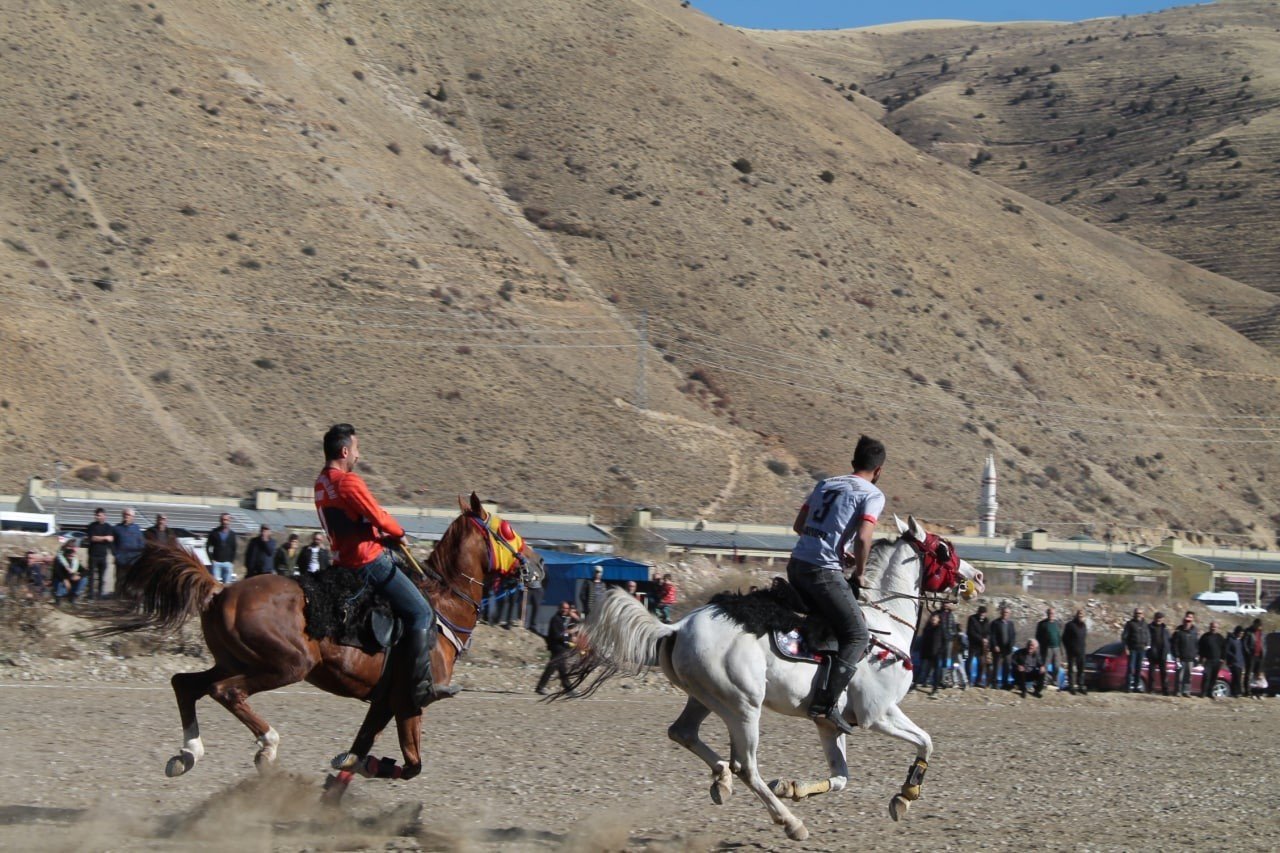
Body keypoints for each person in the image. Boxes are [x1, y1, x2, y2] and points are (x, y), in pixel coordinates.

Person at [316, 423, 445, 704]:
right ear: (345, 450)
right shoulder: (348, 481)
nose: (358, 456)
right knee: (422, 613)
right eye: (357, 450)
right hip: (367, 561)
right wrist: (398, 533)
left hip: (341, 560)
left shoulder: (320, 484)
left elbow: (355, 520)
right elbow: (378, 516)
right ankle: (419, 684)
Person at [787, 435, 884, 734]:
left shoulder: (826, 483)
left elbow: (799, 526)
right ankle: (825, 705)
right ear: (879, 470)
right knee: (857, 633)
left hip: (797, 565)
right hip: (823, 573)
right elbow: (865, 538)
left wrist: (835, 547)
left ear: (853, 461)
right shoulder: (872, 494)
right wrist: (859, 573)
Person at [535, 601, 579, 694]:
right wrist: (568, 633)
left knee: (561, 668)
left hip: (561, 647)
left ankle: (567, 688)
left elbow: (577, 623)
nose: (565, 610)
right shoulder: (556, 619)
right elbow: (557, 635)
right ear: (559, 608)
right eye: (563, 608)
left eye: (567, 608)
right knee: (553, 667)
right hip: (556, 647)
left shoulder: (564, 619)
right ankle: (542, 687)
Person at [112, 508, 146, 589]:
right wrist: (116, 554)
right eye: (125, 514)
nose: (126, 516)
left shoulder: (137, 528)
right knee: (120, 580)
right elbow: (112, 544)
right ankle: (117, 598)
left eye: (128, 515)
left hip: (133, 560)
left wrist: (139, 555)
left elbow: (141, 543)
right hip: (121, 560)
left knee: (132, 580)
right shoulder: (117, 528)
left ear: (133, 517)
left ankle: (129, 598)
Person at [85, 507, 114, 600]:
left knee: (102, 577)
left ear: (104, 516)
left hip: (103, 555)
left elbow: (110, 539)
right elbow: (92, 538)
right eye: (96, 515)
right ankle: (91, 595)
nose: (97, 517)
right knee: (91, 576)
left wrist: (100, 538)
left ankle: (100, 595)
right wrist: (104, 538)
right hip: (93, 555)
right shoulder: (91, 526)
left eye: (99, 515)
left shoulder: (108, 527)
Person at [1120, 608, 1150, 693]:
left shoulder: (1145, 624)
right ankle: (1128, 687)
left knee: (1139, 669)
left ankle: (1137, 686)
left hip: (1141, 650)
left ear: (1143, 614)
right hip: (1132, 649)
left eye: (1140, 613)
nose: (1138, 615)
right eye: (1137, 613)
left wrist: (1147, 644)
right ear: (1134, 614)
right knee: (1131, 668)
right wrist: (1126, 648)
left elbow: (1148, 635)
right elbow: (1124, 637)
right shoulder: (1130, 624)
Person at [917, 612, 945, 696]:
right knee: (922, 669)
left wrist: (940, 651)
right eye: (932, 618)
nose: (933, 619)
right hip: (926, 653)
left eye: (935, 618)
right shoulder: (927, 628)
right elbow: (923, 641)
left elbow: (945, 641)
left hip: (937, 654)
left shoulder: (941, 628)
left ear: (939, 619)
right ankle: (914, 686)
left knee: (936, 672)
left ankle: (935, 689)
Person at [1171, 612, 1199, 698]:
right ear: (1184, 619)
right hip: (1181, 658)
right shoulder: (1178, 631)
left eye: (1190, 620)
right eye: (1186, 620)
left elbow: (1196, 644)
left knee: (1189, 677)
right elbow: (1174, 645)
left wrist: (1196, 654)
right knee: (1179, 677)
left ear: (1192, 620)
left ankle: (1186, 691)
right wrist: (1177, 656)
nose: (1188, 622)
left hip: (1190, 658)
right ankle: (1178, 691)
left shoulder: (1194, 631)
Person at [206, 513, 238, 584]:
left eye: (226, 520)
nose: (225, 522)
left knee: (226, 586)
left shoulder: (232, 534)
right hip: (216, 563)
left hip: (228, 564)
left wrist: (231, 561)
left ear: (229, 521)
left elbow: (234, 549)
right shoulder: (214, 532)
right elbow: (208, 546)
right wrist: (211, 559)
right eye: (223, 520)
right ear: (220, 521)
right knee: (214, 585)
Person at [1035, 607, 1063, 689]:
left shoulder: (1057, 623)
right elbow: (1037, 636)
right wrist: (1041, 645)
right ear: (1047, 614)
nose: (1051, 615)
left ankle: (1055, 682)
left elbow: (1059, 636)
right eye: (1050, 613)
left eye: (1053, 613)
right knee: (1045, 666)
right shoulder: (1042, 624)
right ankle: (1044, 682)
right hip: (1047, 648)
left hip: (1057, 648)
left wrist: (1061, 649)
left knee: (1057, 666)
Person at [51, 540, 87, 605]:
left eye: (73, 547)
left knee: (84, 579)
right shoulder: (59, 558)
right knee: (59, 580)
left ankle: (73, 596)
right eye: (70, 547)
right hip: (61, 583)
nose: (72, 549)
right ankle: (58, 597)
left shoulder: (74, 560)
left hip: (71, 583)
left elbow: (85, 571)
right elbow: (57, 571)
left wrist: (79, 576)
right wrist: (65, 580)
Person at [1198, 620, 1226, 699]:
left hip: (1217, 661)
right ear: (1210, 627)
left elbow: (1224, 649)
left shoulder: (1220, 638)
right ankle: (1203, 692)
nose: (1213, 628)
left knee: (1213, 678)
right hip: (1208, 660)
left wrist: (1222, 659)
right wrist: (1201, 658)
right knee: (1206, 676)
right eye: (1212, 627)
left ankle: (1210, 693)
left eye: (1215, 627)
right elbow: (1200, 648)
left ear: (1218, 628)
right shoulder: (1205, 636)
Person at [1062, 609, 1088, 695]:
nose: (1080, 616)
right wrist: (1068, 648)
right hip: (1072, 651)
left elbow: (1083, 638)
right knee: (1071, 670)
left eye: (1082, 615)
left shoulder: (1084, 626)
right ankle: (1071, 686)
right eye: (1079, 614)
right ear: (1076, 615)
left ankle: (1080, 686)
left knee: (1081, 669)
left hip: (1081, 651)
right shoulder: (1070, 625)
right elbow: (1064, 638)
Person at [989, 606, 1016, 689]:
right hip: (998, 649)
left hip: (1007, 650)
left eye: (1007, 613)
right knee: (996, 666)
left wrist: (1011, 645)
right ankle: (994, 683)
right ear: (1001, 613)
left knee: (1007, 667)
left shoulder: (1011, 624)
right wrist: (995, 645)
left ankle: (1005, 683)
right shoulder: (995, 623)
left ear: (1009, 614)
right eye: (1004, 612)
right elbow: (992, 635)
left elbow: (1013, 636)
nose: (1005, 614)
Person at [1146, 612, 1171, 696]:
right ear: (1154, 618)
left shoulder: (1165, 629)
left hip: (1162, 654)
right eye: (1157, 618)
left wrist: (1167, 651)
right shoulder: (1149, 628)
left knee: (1164, 673)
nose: (1158, 619)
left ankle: (1165, 690)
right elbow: (1147, 640)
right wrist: (1149, 651)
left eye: (1160, 618)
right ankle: (1151, 689)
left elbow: (1168, 641)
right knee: (1152, 673)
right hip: (1152, 653)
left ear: (1162, 619)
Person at [966, 605, 991, 686]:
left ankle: (978, 681)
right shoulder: (972, 619)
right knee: (969, 662)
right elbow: (970, 632)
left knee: (981, 663)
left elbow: (987, 632)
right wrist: (981, 639)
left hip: (982, 646)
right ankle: (968, 679)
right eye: (981, 613)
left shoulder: (987, 620)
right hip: (973, 644)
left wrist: (986, 639)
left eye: (983, 613)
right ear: (978, 612)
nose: (982, 615)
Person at [1243, 618, 1265, 695]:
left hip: (1259, 656)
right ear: (1255, 624)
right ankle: (1247, 691)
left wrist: (1264, 652)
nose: (1259, 627)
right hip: (1251, 656)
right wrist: (1248, 653)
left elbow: (1263, 643)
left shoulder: (1261, 633)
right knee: (1248, 674)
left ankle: (1256, 691)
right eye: (1258, 626)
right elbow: (1245, 644)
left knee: (1258, 674)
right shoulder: (1249, 632)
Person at [1225, 626, 1246, 698]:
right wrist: (1233, 656)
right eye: (1240, 633)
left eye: (1242, 633)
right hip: (1233, 662)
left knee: (1238, 677)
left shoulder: (1241, 641)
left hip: (1240, 662)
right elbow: (1227, 650)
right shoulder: (1231, 640)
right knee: (1236, 676)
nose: (1241, 634)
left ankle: (1234, 692)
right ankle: (1237, 692)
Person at [522, 565, 544, 633]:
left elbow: (545, 576)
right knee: (523, 605)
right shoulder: (525, 562)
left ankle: (533, 625)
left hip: (538, 588)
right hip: (527, 587)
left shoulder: (540, 563)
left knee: (536, 607)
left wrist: (542, 587)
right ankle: (521, 622)